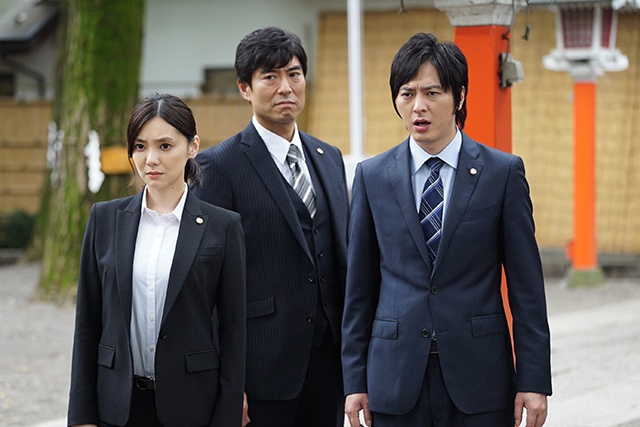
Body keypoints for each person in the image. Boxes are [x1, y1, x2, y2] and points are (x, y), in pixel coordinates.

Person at [341, 33, 552, 427]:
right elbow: (359, 289)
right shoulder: (372, 177)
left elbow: (527, 288)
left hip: (480, 377)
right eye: (407, 94)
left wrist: (534, 380)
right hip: (395, 377)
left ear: (459, 97)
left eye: (432, 93)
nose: (418, 106)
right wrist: (354, 381)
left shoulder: (501, 173)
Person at [194, 27, 349, 427]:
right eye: (270, 77)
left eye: (294, 74)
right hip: (262, 370)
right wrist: (227, 384)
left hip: (330, 365)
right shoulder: (218, 166)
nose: (285, 87)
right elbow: (206, 285)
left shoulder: (329, 157)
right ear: (245, 88)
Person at [67, 94, 246, 427]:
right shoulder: (104, 219)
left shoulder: (223, 226)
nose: (151, 159)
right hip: (116, 407)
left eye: (165, 146)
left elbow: (234, 332)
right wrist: (81, 416)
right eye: (140, 146)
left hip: (193, 406)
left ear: (192, 147)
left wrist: (228, 415)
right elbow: (87, 324)